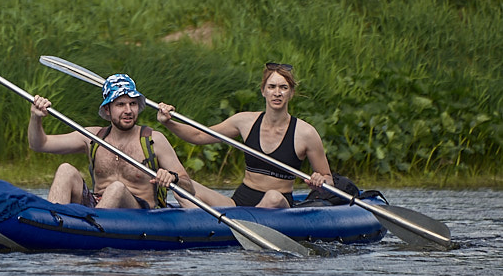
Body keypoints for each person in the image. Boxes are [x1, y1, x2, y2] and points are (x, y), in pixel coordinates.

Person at [156, 62, 332, 208]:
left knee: (273, 197)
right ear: (263, 91)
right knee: (183, 187)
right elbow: (198, 136)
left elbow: (329, 181)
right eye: (272, 87)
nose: (277, 93)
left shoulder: (306, 133)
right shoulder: (244, 122)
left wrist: (320, 181)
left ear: (291, 93)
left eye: (283, 87)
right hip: (239, 203)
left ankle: (232, 229)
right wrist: (168, 122)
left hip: (278, 206)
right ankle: (206, 230)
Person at [28, 74, 198, 209]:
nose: (128, 110)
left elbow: (188, 186)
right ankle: (53, 224)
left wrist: (173, 178)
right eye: (121, 104)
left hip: (139, 212)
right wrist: (36, 117)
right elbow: (39, 144)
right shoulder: (92, 137)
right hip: (97, 205)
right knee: (65, 170)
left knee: (117, 188)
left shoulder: (154, 139)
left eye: (133, 103)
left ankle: (90, 231)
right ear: (107, 110)